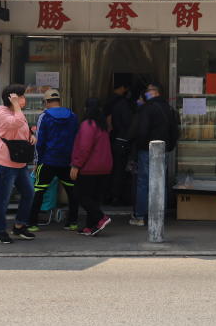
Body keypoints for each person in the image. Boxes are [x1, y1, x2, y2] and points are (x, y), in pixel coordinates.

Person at [27, 89, 80, 231]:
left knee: (39, 191)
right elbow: (77, 139)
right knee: (71, 192)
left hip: (48, 160)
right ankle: (72, 222)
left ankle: (32, 223)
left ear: (46, 102)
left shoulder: (44, 116)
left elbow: (39, 142)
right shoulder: (73, 116)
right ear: (59, 101)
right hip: (67, 162)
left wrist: (36, 161)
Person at [0, 84, 37, 244]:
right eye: (22, 97)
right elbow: (17, 123)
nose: (24, 99)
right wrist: (17, 105)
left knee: (29, 193)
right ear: (13, 98)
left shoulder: (16, 111)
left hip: (19, 163)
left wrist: (32, 135)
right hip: (5, 164)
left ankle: (19, 226)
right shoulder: (2, 113)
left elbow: (22, 128)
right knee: (3, 199)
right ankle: (0, 231)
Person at [131, 82, 176, 226]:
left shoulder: (147, 108)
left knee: (144, 182)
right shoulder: (168, 108)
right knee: (160, 182)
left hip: (146, 149)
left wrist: (139, 145)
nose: (146, 93)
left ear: (155, 92)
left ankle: (140, 215)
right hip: (163, 149)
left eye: (148, 91)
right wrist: (169, 146)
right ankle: (159, 215)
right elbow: (175, 130)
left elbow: (142, 130)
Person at [70, 98, 113, 236]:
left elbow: (84, 148)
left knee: (80, 195)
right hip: (104, 167)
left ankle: (101, 218)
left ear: (86, 109)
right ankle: (90, 226)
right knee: (93, 198)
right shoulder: (103, 125)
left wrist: (76, 165)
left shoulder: (87, 124)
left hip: (89, 167)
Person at [105, 78, 135, 206]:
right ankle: (116, 196)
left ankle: (109, 195)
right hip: (121, 140)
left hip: (110, 139)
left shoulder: (109, 101)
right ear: (123, 87)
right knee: (119, 169)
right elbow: (128, 123)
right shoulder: (122, 102)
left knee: (111, 168)